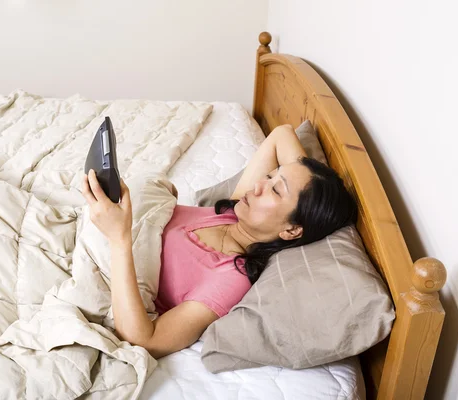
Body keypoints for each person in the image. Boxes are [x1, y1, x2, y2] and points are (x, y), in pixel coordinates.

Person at [82, 124, 357, 359]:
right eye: (270, 175)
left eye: (275, 189)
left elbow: (145, 341)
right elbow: (281, 135)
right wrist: (310, 180)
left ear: (292, 230)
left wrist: (119, 238)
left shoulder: (231, 278)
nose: (259, 185)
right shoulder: (233, 213)